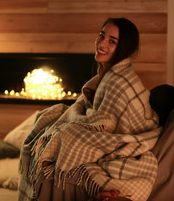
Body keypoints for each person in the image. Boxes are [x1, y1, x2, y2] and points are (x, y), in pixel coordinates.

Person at [18, 18, 162, 201]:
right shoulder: (108, 73)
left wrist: (75, 122)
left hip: (130, 137)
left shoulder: (120, 80)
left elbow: (105, 123)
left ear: (123, 48)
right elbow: (92, 107)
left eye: (112, 41)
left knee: (64, 135)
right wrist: (78, 112)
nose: (101, 43)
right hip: (112, 128)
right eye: (101, 36)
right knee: (48, 118)